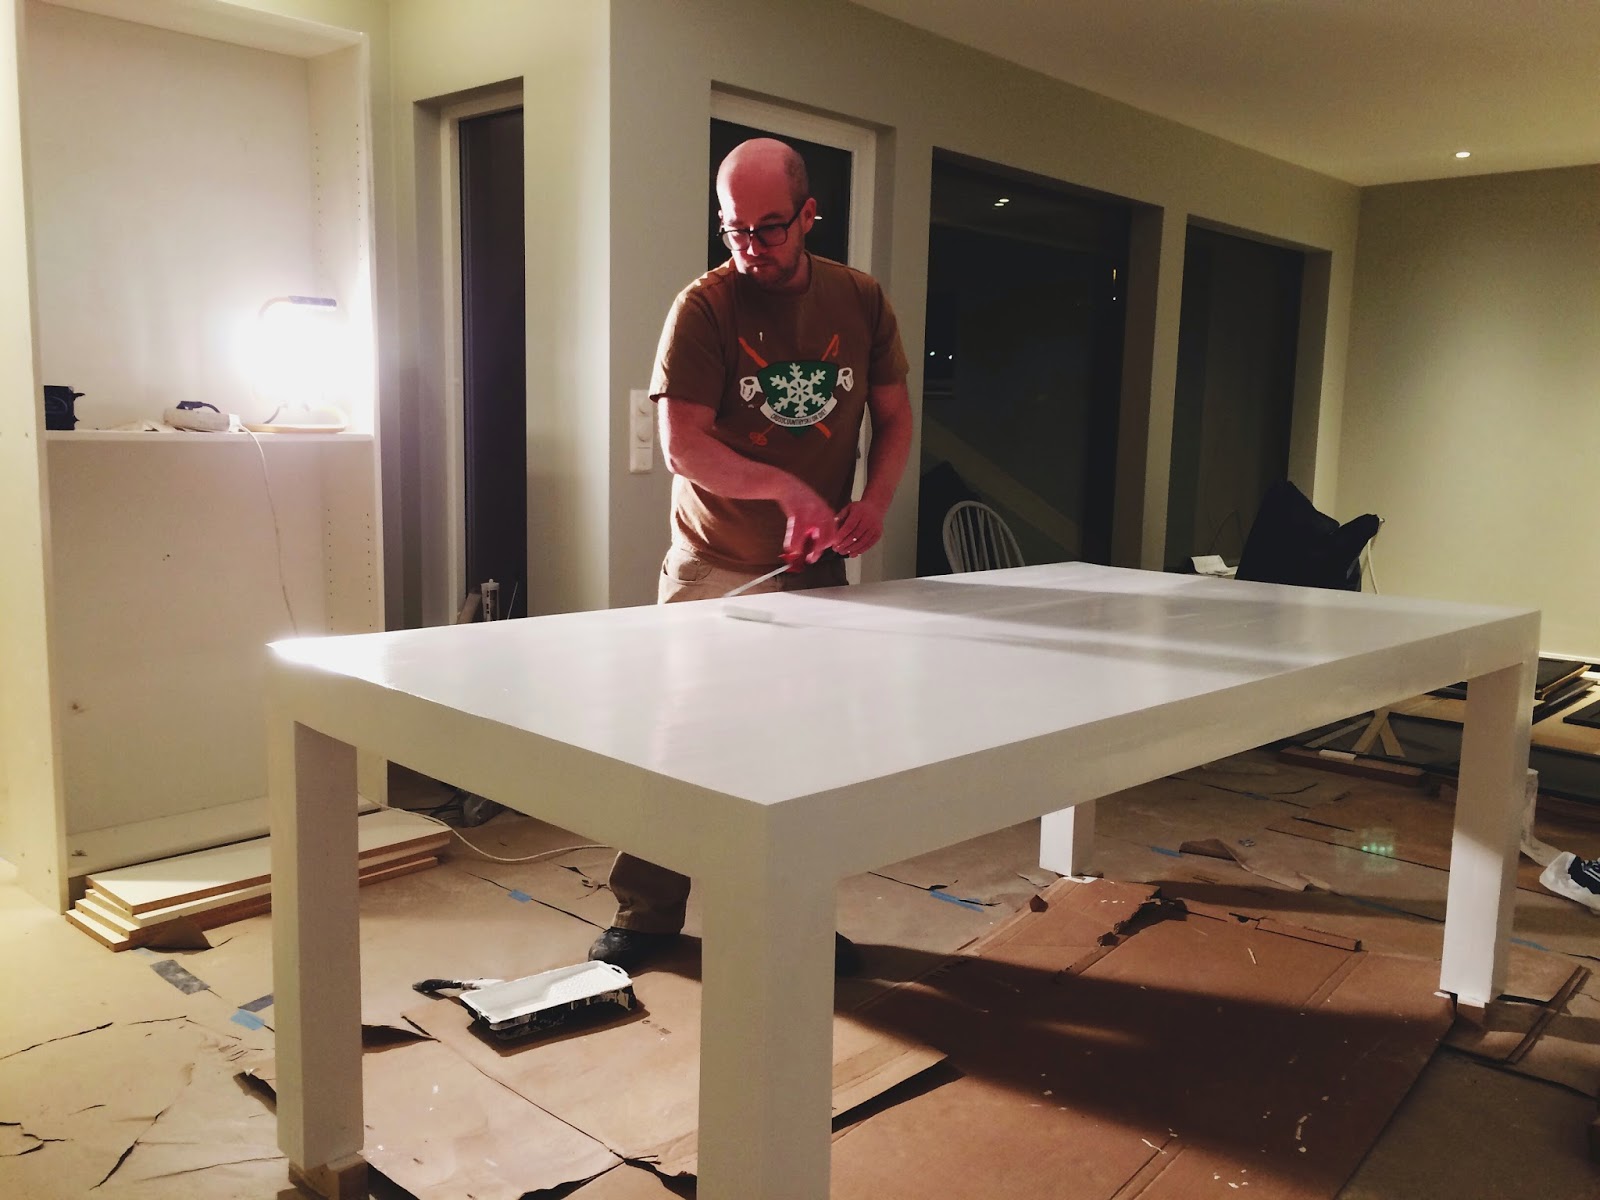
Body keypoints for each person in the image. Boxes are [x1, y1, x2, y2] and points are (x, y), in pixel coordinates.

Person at [587, 137, 914, 974]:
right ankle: (648, 914)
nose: (750, 247)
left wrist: (873, 502)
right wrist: (787, 490)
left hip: (816, 572)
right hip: (713, 564)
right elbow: (683, 445)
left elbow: (894, 417)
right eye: (733, 228)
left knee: (804, 753)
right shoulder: (705, 307)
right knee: (681, 746)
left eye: (769, 228)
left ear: (808, 216)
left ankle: (794, 917)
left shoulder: (860, 300)